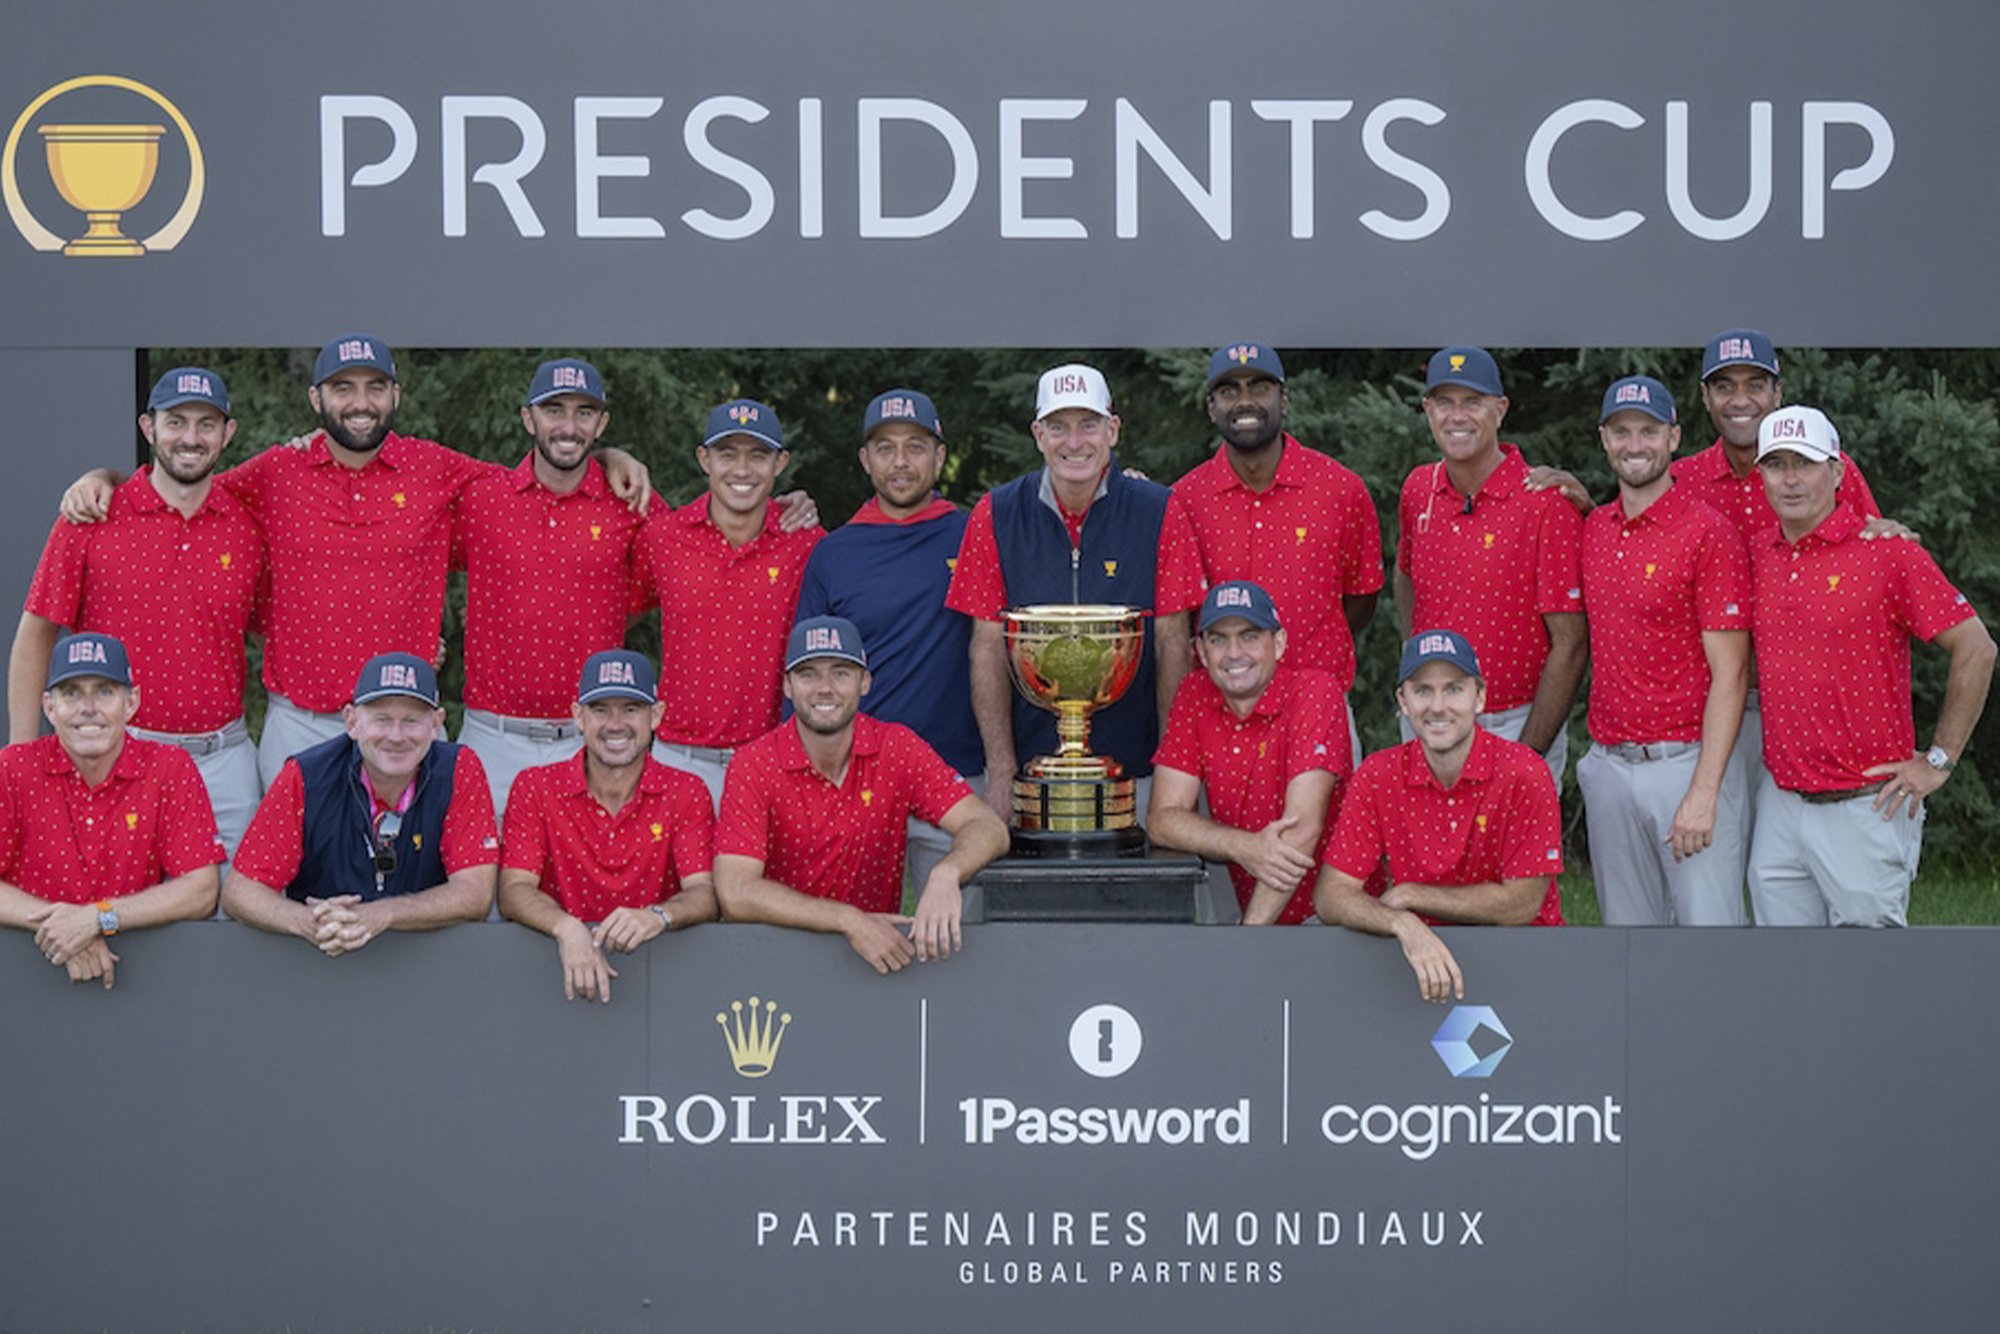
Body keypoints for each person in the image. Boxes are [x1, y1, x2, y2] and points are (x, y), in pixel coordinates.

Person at [56, 335, 655, 788]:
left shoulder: (440, 471)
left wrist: (606, 455)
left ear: (396, 394)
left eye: (374, 387)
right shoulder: (273, 473)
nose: (360, 403)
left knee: (422, 880)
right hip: (299, 724)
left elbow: (547, 477)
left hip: (405, 727)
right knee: (284, 888)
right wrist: (107, 477)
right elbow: (182, 484)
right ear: (317, 397)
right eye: (344, 388)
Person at [1746, 406, 1994, 927]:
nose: (1790, 480)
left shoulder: (1887, 553)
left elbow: (1976, 648)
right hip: (1781, 805)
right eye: (1775, 464)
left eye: (1805, 463)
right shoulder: (1762, 554)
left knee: (1871, 986)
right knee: (1786, 978)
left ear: (1837, 472)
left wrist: (1939, 761)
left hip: (1865, 808)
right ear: (1761, 475)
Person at [10, 367, 264, 857]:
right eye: (175, 422)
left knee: (235, 915)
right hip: (117, 754)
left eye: (206, 424)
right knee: (120, 910)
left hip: (225, 759)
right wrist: (21, 758)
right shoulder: (91, 516)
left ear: (227, 434)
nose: (190, 438)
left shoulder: (246, 527)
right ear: (148, 428)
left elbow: (274, 632)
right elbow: (36, 634)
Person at [944, 363, 1202, 821]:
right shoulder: (995, 513)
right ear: (1038, 434)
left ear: (1113, 429)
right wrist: (1001, 771)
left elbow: (1173, 645)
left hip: (1138, 774)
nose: (1075, 442)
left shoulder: (1160, 510)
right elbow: (986, 647)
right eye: (1059, 427)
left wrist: (1172, 769)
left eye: (1088, 425)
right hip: (1031, 774)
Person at [713, 616, 1009, 974]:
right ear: (787, 686)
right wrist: (849, 920)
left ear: (864, 682)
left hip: (872, 963)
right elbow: (735, 892)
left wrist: (946, 874)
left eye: (841, 672)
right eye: (809, 674)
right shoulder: (754, 763)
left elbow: (988, 825)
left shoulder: (897, 748)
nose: (825, 688)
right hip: (775, 959)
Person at [1576, 377, 1753, 926]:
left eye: (1649, 431)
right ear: (1605, 439)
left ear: (1674, 437)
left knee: (1708, 944)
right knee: (1629, 951)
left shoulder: (1708, 533)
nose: (1635, 445)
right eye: (1622, 432)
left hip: (1686, 765)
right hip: (1609, 766)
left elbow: (1732, 672)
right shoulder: (1593, 530)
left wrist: (1704, 791)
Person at [793, 388, 980, 889]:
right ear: (864, 459)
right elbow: (802, 673)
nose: (900, 462)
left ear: (940, 456)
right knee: (846, 939)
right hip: (852, 782)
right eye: (885, 447)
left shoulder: (975, 536)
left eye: (916, 446)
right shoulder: (833, 552)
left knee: (964, 943)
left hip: (957, 775)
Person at [1315, 630, 1565, 1004]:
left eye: (1453, 689)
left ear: (1479, 697)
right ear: (1403, 701)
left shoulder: (1524, 772)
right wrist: (1402, 923)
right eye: (1422, 691)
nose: (1437, 706)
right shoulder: (1378, 775)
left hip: (1525, 957)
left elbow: (1521, 904)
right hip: (1417, 958)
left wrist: (1412, 896)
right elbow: (1330, 895)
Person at [452, 359, 650, 815]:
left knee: (588, 885)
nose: (568, 425)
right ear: (528, 419)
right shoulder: (483, 497)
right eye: (553, 410)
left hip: (590, 741)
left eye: (584, 413)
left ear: (601, 424)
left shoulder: (630, 502)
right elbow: (406, 559)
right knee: (482, 885)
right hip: (491, 740)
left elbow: (697, 551)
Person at [1170, 342, 1381, 761]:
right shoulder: (1183, 500)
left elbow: (1359, 598)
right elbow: (1179, 618)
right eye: (1230, 391)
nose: (1245, 401)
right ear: (1211, 407)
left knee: (1331, 829)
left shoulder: (1341, 490)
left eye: (1259, 388)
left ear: (1283, 400)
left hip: (1319, 715)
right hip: (1219, 720)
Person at [221, 652, 499, 955]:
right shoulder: (306, 776)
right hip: (323, 960)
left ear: (436, 724)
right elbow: (240, 890)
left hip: (430, 960)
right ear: (352, 722)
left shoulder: (460, 769)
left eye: (411, 721)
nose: (396, 736)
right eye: (381, 719)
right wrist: (307, 921)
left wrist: (383, 914)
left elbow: (475, 894)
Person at [1395, 346, 1585, 786]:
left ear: (1500, 410)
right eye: (1445, 402)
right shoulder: (1418, 488)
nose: (1457, 416)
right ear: (1428, 410)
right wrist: (1414, 657)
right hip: (1430, 718)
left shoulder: (1545, 504)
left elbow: (1571, 645)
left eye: (1472, 402)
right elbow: (1405, 574)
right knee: (1427, 855)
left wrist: (1526, 754)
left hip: (1513, 722)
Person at [0, 633, 221, 989]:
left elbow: (202, 889)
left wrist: (97, 919)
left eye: (104, 691)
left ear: (131, 702)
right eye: (71, 693)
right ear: (48, 706)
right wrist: (62, 928)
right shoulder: (12, 768)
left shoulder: (169, 768)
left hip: (142, 980)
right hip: (21, 979)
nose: (89, 707)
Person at [499, 649, 717, 1003]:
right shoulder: (534, 787)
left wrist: (659, 916)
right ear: (578, 717)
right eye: (600, 709)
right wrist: (566, 926)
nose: (615, 724)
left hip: (665, 982)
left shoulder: (686, 791)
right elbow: (513, 890)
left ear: (656, 716)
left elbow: (705, 893)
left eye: (631, 709)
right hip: (551, 978)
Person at [646, 399, 825, 810]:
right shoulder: (663, 538)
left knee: (764, 877)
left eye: (758, 455)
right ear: (704, 459)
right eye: (728, 454)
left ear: (780, 463)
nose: (742, 470)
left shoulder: (809, 545)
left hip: (772, 759)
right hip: (678, 759)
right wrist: (610, 455)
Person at [1148, 581, 1351, 925]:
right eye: (1218, 639)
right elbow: (1162, 819)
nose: (1233, 653)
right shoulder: (1194, 693)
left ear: (1280, 643)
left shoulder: (1315, 691)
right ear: (1199, 650)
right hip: (1249, 914)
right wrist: (1243, 846)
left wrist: (1247, 940)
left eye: (1250, 636)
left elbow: (1300, 832)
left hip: (1327, 920)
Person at [1672, 328, 1881, 545]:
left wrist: (1892, 535)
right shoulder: (1678, 480)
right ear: (1706, 396)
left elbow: (1876, 542)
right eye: (1725, 388)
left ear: (1777, 393)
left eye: (1755, 386)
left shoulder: (1824, 467)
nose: (1741, 401)